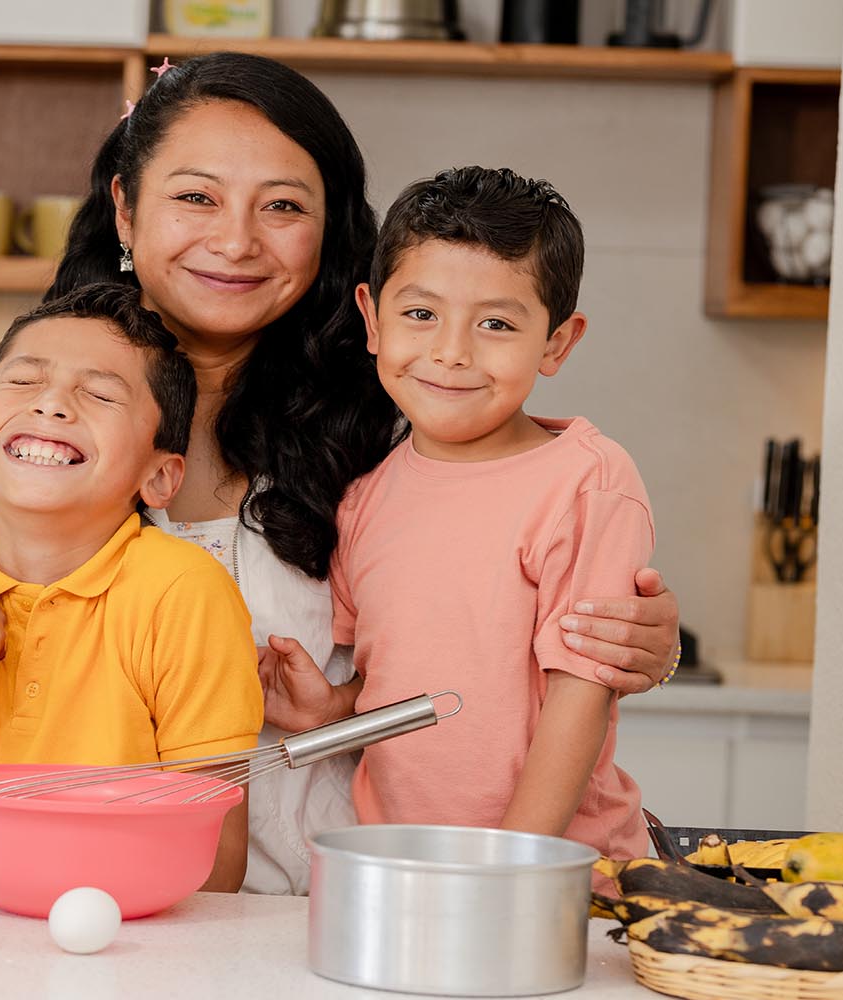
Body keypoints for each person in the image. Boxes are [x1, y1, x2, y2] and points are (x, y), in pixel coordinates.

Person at [0, 52, 680, 895]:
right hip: (57, 898)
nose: (235, 240)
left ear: (332, 230)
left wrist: (638, 644)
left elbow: (498, 631)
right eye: (195, 196)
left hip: (331, 902)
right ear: (125, 209)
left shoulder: (400, 415)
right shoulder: (18, 415)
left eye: (283, 206)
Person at [262, 166, 650, 860]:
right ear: (372, 319)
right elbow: (400, 683)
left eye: (496, 323)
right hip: (405, 868)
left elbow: (580, 697)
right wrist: (333, 708)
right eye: (421, 314)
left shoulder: (586, 482)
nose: (450, 352)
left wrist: (509, 869)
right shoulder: (364, 496)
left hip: (560, 878)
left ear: (557, 342)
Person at [0, 283, 262, 888]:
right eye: (24, 381)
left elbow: (214, 869)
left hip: (129, 933)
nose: (51, 404)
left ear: (160, 477)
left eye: (100, 394)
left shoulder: (185, 591)